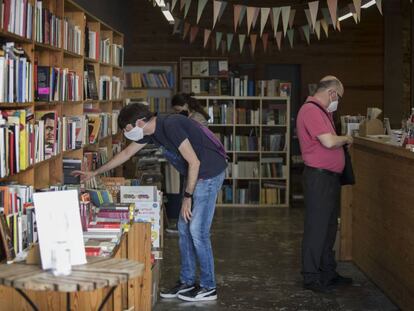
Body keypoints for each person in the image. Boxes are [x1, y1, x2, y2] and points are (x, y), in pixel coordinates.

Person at [73, 102, 227, 302]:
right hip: (194, 175)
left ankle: (209, 286)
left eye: (127, 129)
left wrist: (187, 197)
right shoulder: (150, 131)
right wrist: (95, 172)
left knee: (197, 230)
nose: (127, 134)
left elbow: (195, 162)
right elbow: (127, 153)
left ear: (138, 122)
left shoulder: (170, 125)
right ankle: (187, 281)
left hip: (208, 173)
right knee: (184, 228)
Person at [296, 76, 354, 293]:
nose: (337, 101)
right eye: (338, 97)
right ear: (331, 93)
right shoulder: (311, 110)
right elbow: (328, 141)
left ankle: (327, 273)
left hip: (328, 178)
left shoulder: (323, 112)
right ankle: (311, 277)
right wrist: (346, 138)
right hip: (319, 178)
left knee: (329, 229)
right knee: (317, 228)